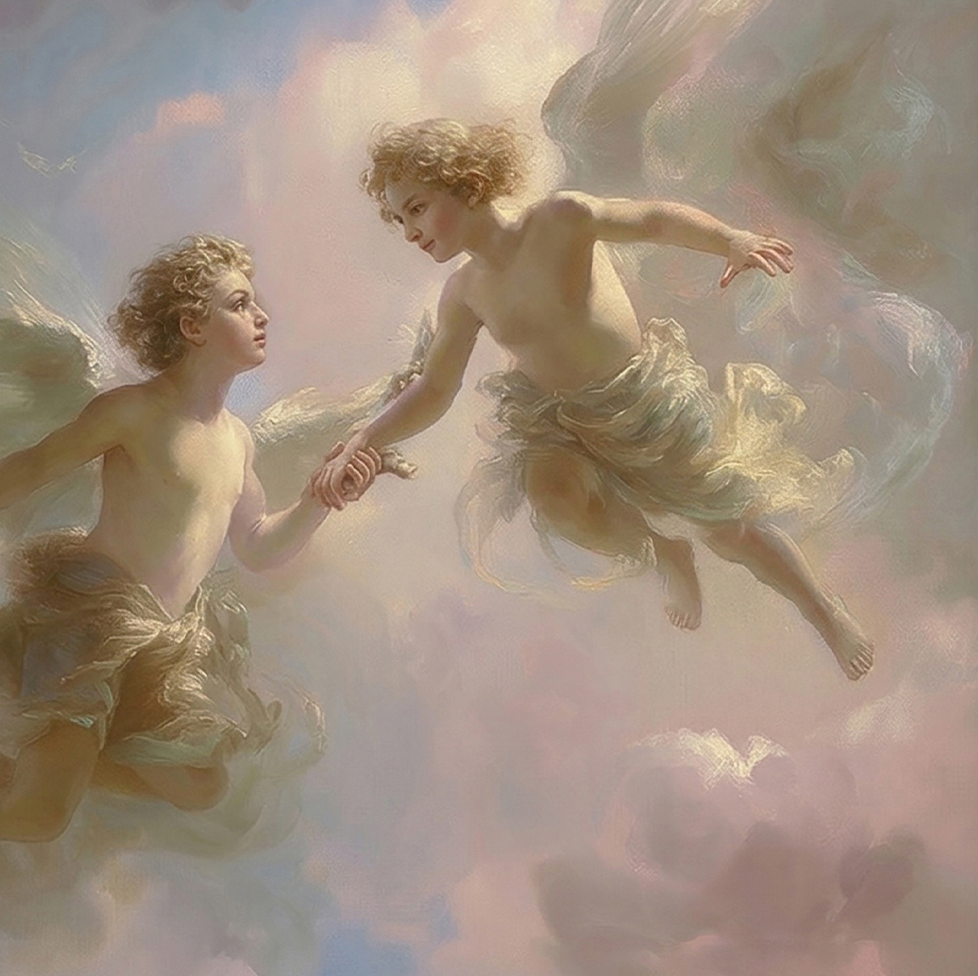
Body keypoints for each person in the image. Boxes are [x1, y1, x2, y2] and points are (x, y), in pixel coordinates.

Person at [0, 236, 354, 900]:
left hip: (164, 643)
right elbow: (39, 463)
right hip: (91, 622)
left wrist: (320, 500)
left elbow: (258, 544)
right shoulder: (136, 411)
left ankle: (36, 767)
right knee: (39, 817)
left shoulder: (237, 440)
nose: (261, 314)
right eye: (240, 303)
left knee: (202, 784)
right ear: (193, 325)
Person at [307, 116, 873, 675]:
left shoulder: (561, 218)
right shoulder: (464, 292)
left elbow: (651, 220)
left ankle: (825, 613)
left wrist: (731, 239)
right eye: (399, 219)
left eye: (416, 208)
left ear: (465, 181)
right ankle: (662, 548)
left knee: (731, 533)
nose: (409, 231)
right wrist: (365, 435)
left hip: (643, 406)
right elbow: (435, 388)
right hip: (559, 421)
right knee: (552, 495)